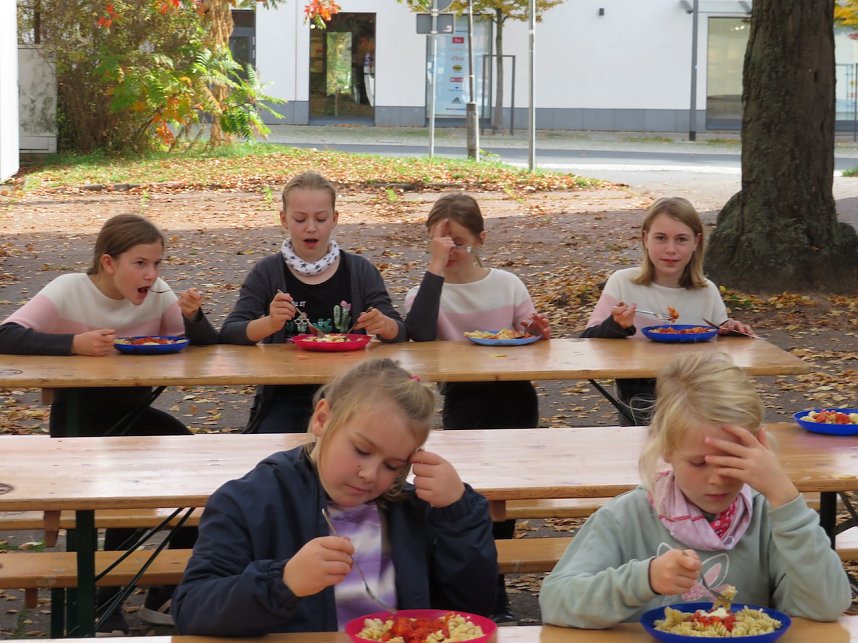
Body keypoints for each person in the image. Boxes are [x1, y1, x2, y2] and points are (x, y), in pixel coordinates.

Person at [0, 213, 218, 635]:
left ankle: (165, 591)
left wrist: (194, 317)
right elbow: (6, 334)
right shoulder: (69, 289)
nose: (151, 274)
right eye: (140, 263)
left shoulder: (158, 293)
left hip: (134, 418)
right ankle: (105, 598)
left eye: (157, 264)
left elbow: (201, 344)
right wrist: (72, 344)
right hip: (80, 423)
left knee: (199, 466)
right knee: (128, 488)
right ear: (108, 262)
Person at [172, 358, 498, 636]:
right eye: (361, 450)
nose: (369, 474)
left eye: (392, 465)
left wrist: (457, 514)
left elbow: (471, 610)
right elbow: (193, 609)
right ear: (322, 419)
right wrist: (283, 583)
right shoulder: (251, 502)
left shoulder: (411, 507)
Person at [538, 352, 851, 628]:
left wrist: (785, 497)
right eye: (699, 463)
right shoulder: (625, 518)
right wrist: (643, 580)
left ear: (758, 448)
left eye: (731, 462)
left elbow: (827, 605)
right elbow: (556, 601)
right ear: (667, 449)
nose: (717, 479)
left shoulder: (771, 519)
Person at [404, 192, 550, 623]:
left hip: (514, 397)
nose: (449, 251)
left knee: (505, 496)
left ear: (481, 240)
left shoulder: (507, 284)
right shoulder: (424, 292)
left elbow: (528, 332)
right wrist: (435, 268)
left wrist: (535, 331)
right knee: (470, 494)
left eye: (459, 243)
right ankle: (480, 586)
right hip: (464, 400)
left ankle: (497, 584)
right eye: (439, 242)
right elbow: (419, 335)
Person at [219, 171, 406, 434]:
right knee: (272, 444)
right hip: (285, 398)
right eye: (299, 219)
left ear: (334, 219)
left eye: (320, 218)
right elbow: (230, 332)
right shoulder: (267, 272)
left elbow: (400, 332)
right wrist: (269, 323)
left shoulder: (360, 271)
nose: (310, 227)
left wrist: (384, 325)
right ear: (284, 220)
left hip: (350, 396)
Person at [581, 196, 754, 425]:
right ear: (645, 238)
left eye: (681, 239)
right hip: (640, 395)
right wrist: (616, 325)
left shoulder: (706, 291)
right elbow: (586, 342)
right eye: (661, 238)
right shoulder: (623, 283)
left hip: (699, 395)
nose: (670, 249)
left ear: (696, 242)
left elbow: (720, 347)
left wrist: (730, 331)